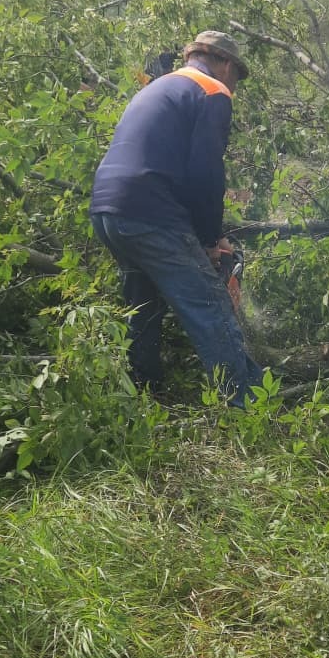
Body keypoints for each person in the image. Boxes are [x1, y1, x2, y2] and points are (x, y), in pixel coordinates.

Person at [90, 30, 264, 406]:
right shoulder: (212, 91)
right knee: (210, 306)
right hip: (149, 213)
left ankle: (145, 395)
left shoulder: (158, 87)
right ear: (226, 64)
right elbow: (205, 174)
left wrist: (204, 236)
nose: (235, 85)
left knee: (143, 308)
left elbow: (170, 165)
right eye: (237, 76)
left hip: (108, 210)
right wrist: (210, 239)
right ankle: (247, 406)